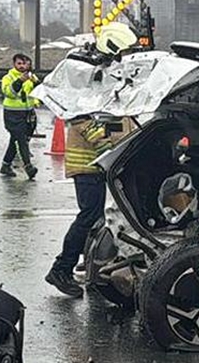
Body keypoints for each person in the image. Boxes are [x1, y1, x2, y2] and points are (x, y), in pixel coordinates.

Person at [45, 116, 133, 297]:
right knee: (89, 217)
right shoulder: (84, 113)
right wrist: (113, 145)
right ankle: (61, 269)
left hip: (95, 170)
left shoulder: (96, 112)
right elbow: (95, 134)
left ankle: (92, 266)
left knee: (97, 219)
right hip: (87, 169)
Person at [0, 53, 40, 180]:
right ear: (14, 64)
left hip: (27, 113)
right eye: (19, 64)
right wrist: (20, 81)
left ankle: (5, 165)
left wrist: (36, 83)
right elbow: (9, 93)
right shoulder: (8, 77)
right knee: (21, 140)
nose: (22, 66)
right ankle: (28, 167)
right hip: (12, 114)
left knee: (16, 140)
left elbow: (37, 93)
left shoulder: (31, 77)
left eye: (24, 63)